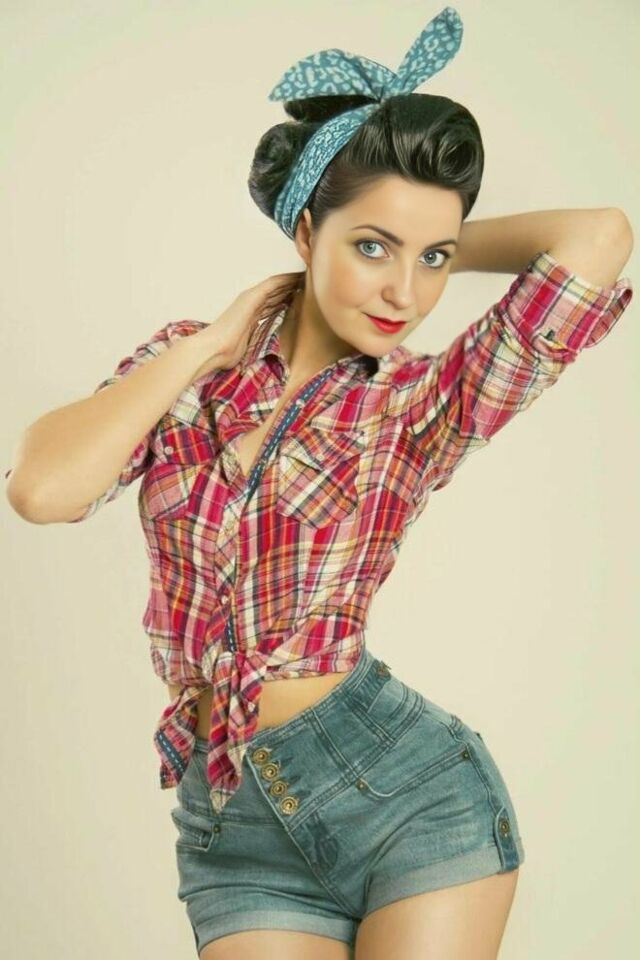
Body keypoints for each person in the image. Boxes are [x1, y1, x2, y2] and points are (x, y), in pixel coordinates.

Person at [6, 7, 633, 959]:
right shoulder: (186, 372)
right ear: (304, 230)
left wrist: (425, 234)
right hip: (231, 825)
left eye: (433, 260)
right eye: (372, 247)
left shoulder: (424, 405)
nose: (405, 293)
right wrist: (209, 345)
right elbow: (42, 490)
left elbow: (600, 235)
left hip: (406, 794)